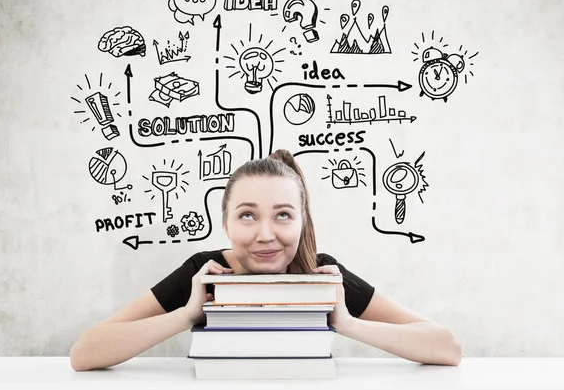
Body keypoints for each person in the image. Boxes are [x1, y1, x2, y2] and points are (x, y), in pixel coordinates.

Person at [69, 149, 462, 371]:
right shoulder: (203, 273)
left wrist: (345, 322)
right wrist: (188, 314)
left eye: (283, 215)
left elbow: (445, 347)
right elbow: (85, 352)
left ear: (302, 220)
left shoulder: (321, 272)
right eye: (247, 215)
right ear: (224, 221)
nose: (265, 234)